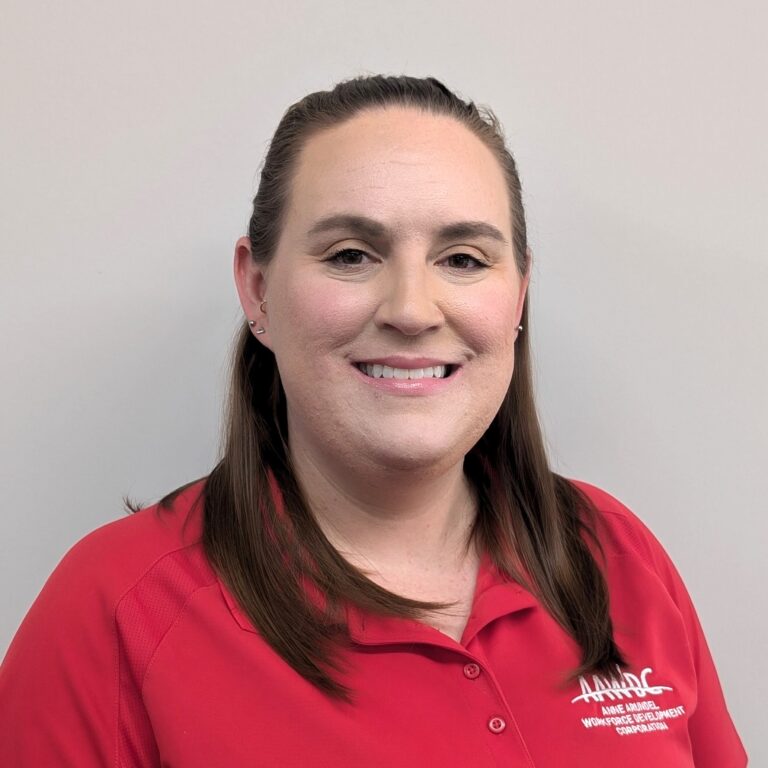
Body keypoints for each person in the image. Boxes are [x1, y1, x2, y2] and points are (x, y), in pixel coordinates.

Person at [0, 75, 747, 767]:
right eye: (352, 254)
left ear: (517, 296)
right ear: (258, 291)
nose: (412, 311)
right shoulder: (112, 610)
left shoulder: (619, 555)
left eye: (462, 258)